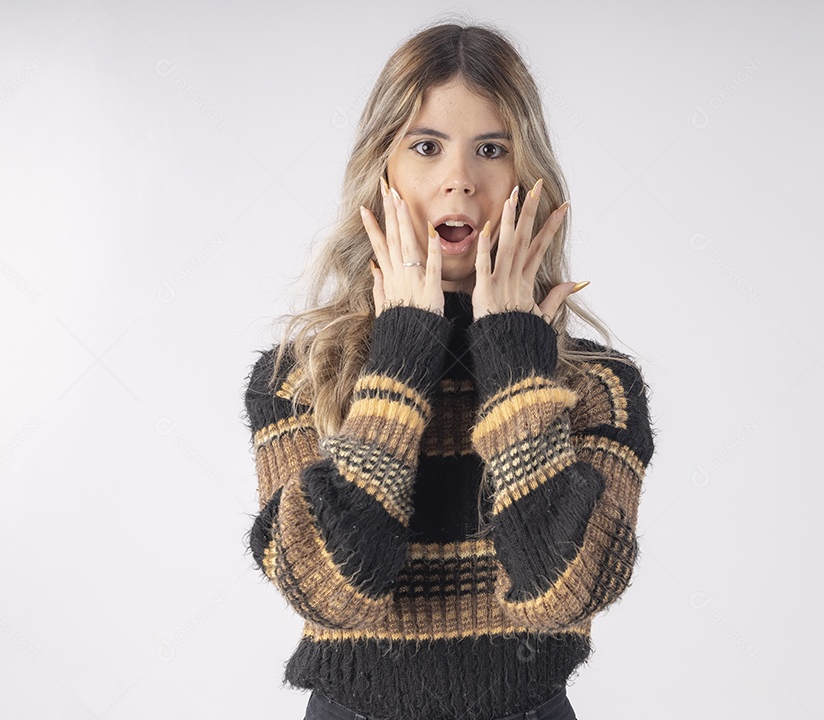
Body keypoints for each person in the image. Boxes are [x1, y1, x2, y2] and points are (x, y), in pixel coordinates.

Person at [243, 21, 656, 720]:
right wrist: (401, 353)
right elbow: (331, 591)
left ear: (528, 176)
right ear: (383, 171)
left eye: (491, 149)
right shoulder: (298, 377)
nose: (459, 179)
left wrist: (514, 355)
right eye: (426, 147)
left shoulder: (598, 387)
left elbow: (567, 590)